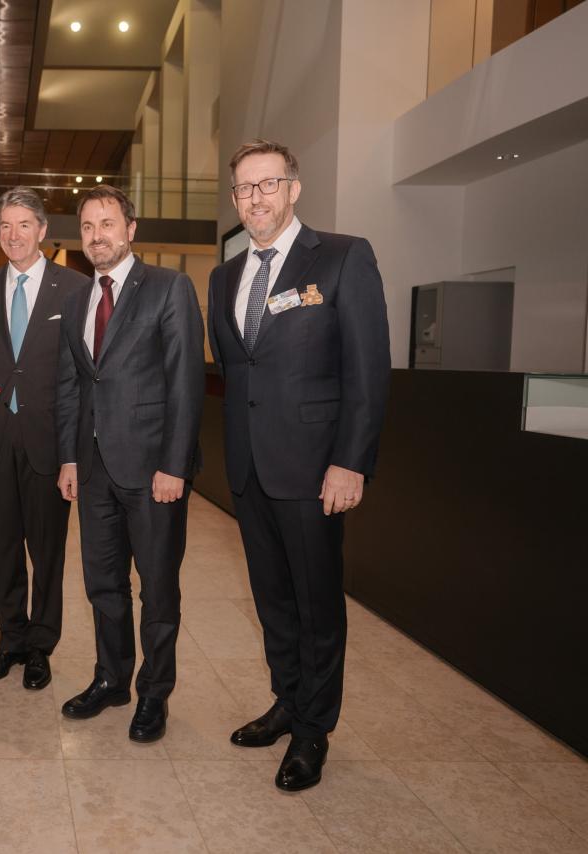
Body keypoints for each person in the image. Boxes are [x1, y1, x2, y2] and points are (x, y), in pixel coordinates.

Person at [207, 139, 391, 791]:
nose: (255, 198)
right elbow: (236, 371)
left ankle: (314, 729)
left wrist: (350, 462)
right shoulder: (224, 277)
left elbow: (368, 373)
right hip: (250, 469)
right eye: (244, 188)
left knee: (317, 607)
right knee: (273, 601)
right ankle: (287, 702)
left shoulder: (342, 258)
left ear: (293, 188)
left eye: (267, 184)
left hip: (316, 471)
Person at [54, 184, 205, 744]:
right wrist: (68, 457)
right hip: (93, 470)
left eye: (108, 223)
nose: (97, 235)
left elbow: (187, 384)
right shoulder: (75, 301)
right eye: (88, 226)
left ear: (130, 228)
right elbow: (71, 386)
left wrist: (175, 465)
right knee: (103, 584)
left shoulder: (169, 288)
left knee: (158, 589)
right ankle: (112, 678)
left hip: (152, 470)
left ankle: (154, 694)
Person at [0, 187, 90, 691]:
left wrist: (73, 452)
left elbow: (82, 373)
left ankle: (41, 646)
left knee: (48, 549)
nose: (13, 235)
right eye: (5, 226)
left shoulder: (76, 287)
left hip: (50, 440)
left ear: (42, 231)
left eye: (23, 225)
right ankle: (10, 640)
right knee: (3, 547)